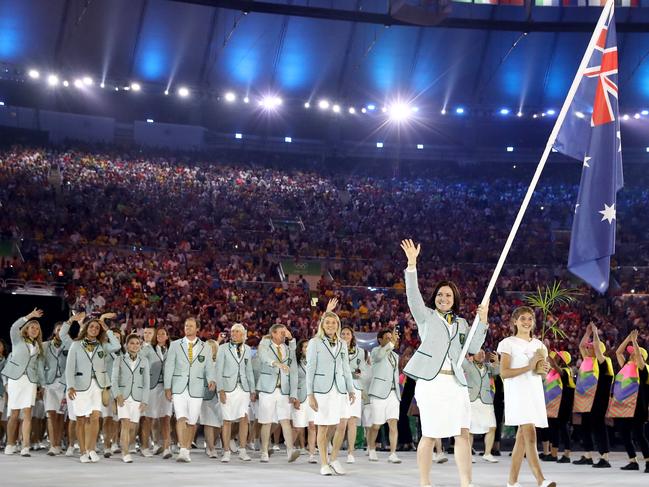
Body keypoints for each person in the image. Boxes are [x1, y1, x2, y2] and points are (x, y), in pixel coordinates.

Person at [400, 239, 488, 487]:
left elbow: (473, 348)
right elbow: (412, 296)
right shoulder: (425, 317)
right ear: (435, 298)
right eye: (440, 294)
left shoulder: (461, 323)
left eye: (448, 295)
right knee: (429, 434)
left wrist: (483, 321)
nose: (443, 298)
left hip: (457, 384)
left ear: (454, 299)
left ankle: (465, 482)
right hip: (432, 382)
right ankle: (425, 483)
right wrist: (412, 264)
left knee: (462, 433)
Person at [497, 306, 555, 487]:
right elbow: (504, 372)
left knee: (522, 439)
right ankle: (541, 480)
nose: (527, 322)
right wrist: (529, 367)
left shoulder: (539, 345)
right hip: (517, 393)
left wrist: (543, 369)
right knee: (530, 434)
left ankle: (512, 482)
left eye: (530, 319)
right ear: (515, 321)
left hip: (534, 393)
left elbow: (541, 373)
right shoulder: (508, 343)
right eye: (522, 318)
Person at [306, 297, 356, 476]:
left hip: (340, 389)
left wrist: (350, 389)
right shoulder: (314, 343)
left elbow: (346, 368)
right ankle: (324, 463)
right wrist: (309, 394)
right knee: (323, 426)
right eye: (327, 322)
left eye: (334, 323)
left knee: (342, 424)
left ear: (338, 325)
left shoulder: (342, 343)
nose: (330, 325)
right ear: (322, 324)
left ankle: (334, 458)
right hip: (322, 390)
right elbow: (309, 369)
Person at [65, 313, 121, 463]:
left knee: (95, 417)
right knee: (81, 419)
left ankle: (91, 449)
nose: (94, 329)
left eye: (97, 327)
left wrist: (107, 328)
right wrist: (70, 386)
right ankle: (83, 451)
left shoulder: (102, 345)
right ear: (86, 328)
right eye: (92, 326)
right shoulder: (76, 345)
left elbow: (117, 345)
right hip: (79, 386)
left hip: (98, 386)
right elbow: (69, 367)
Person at [163, 317, 217, 463]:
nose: (188, 328)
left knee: (192, 422)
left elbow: (209, 367)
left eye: (191, 326)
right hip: (179, 387)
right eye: (186, 325)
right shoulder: (175, 345)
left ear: (197, 328)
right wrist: (168, 387)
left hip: (197, 388)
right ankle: (182, 450)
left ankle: (186, 448)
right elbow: (169, 367)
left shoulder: (205, 347)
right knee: (181, 417)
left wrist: (211, 379)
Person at [2, 309, 46, 457]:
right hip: (16, 379)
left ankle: (25, 446)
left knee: (27, 413)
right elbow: (14, 327)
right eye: (32, 327)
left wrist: (42, 385)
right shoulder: (17, 340)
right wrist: (29, 316)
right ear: (26, 329)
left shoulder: (38, 347)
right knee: (14, 413)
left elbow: (39, 368)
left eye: (37, 328)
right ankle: (10, 443)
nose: (35, 330)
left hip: (30, 381)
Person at [256, 324, 300, 463]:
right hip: (267, 389)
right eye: (281, 332)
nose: (284, 335)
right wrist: (276, 364)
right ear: (273, 334)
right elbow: (263, 357)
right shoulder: (265, 345)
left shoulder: (288, 349)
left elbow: (293, 371)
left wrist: (293, 393)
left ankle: (290, 451)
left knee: (285, 420)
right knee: (266, 421)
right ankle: (264, 451)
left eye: (285, 332)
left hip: (283, 390)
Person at [572, 323, 613, 468]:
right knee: (585, 427)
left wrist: (595, 333)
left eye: (591, 347)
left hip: (598, 398)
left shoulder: (603, 361)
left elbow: (596, 348)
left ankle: (605, 457)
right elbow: (581, 346)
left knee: (599, 427)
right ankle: (588, 455)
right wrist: (587, 331)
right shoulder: (587, 361)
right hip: (586, 399)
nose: (587, 348)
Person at [215, 322, 256, 463]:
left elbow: (249, 370)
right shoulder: (223, 348)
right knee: (227, 420)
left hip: (243, 389)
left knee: (244, 419)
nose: (234, 334)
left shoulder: (248, 349)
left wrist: (252, 389)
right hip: (227, 388)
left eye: (237, 331)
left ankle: (242, 450)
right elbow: (218, 370)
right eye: (232, 331)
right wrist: (220, 389)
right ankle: (226, 451)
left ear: (243, 334)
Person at [609, 330, 648, 472]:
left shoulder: (643, 368)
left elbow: (638, 355)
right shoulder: (626, 365)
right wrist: (629, 339)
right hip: (623, 405)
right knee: (624, 433)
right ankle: (633, 461)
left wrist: (635, 342)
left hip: (637, 405)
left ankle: (648, 461)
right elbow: (619, 352)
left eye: (634, 353)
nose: (631, 354)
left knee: (639, 435)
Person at [112, 334, 150, 463]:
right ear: (127, 345)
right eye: (132, 343)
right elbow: (114, 379)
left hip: (138, 397)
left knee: (133, 426)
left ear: (140, 346)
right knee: (125, 424)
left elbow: (146, 383)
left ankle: (126, 446)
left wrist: (145, 400)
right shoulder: (119, 359)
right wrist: (117, 395)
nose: (135, 345)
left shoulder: (144, 361)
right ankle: (125, 452)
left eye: (137, 343)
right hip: (123, 396)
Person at [368, 328, 402, 464]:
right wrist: (391, 343)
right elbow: (381, 355)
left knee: (393, 424)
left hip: (393, 393)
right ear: (380, 340)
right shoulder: (376, 352)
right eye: (387, 338)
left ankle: (393, 453)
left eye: (391, 337)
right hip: (378, 393)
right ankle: (371, 449)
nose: (390, 340)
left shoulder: (395, 356)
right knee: (376, 425)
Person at [42, 319, 75, 456]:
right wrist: (42, 385)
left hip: (64, 384)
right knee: (50, 415)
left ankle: (59, 442)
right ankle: (53, 444)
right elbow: (40, 366)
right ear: (54, 331)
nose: (60, 331)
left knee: (61, 416)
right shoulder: (44, 345)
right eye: (58, 329)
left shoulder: (70, 345)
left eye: (63, 329)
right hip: (49, 384)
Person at [141, 327, 173, 459]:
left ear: (167, 336)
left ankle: (166, 447)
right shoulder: (148, 349)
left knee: (165, 418)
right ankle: (144, 447)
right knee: (149, 418)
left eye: (163, 333)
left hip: (166, 388)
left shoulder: (172, 349)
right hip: (151, 387)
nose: (160, 335)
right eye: (158, 333)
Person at [463, 349, 499, 463]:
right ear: (473, 356)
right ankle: (468, 454)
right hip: (472, 399)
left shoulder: (488, 367)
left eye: (483, 353)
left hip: (486, 400)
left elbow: (497, 372)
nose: (482, 354)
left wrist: (497, 361)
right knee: (470, 429)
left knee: (492, 427)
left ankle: (487, 453)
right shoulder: (468, 365)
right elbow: (459, 362)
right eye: (479, 352)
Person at [341, 326, 369, 464]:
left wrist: (359, 374)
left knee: (352, 420)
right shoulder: (335, 349)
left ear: (352, 336)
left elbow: (363, 370)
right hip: (339, 386)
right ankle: (330, 445)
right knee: (339, 421)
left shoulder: (361, 352)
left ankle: (350, 452)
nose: (345, 336)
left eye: (348, 334)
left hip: (355, 386)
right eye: (343, 334)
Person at [543, 350, 574, 463]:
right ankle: (553, 454)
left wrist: (554, 364)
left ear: (562, 360)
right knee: (553, 429)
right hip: (552, 405)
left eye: (557, 357)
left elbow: (562, 374)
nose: (554, 357)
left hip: (563, 405)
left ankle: (567, 454)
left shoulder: (567, 370)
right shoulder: (552, 372)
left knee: (564, 428)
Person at [292, 339, 317, 463]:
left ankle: (311, 454)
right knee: (298, 428)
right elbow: (293, 381)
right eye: (305, 347)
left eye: (309, 346)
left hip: (313, 397)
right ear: (301, 349)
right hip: (300, 397)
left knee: (312, 426)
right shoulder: (296, 363)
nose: (307, 349)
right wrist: (294, 397)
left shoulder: (317, 361)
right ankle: (289, 449)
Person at [199, 338, 223, 459]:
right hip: (205, 395)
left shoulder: (220, 361)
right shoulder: (200, 361)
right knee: (208, 422)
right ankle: (211, 448)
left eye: (212, 348)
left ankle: (211, 444)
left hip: (219, 396)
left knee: (219, 424)